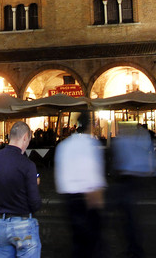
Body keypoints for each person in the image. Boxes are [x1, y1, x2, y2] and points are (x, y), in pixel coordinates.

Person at [0, 121, 42, 257]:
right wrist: (34, 184)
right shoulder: (28, 165)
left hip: (2, 224)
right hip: (24, 224)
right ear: (25, 137)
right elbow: (35, 203)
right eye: (29, 140)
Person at [54, 111, 106, 258]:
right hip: (88, 199)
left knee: (78, 241)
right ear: (90, 126)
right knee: (93, 244)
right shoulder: (91, 144)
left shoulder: (63, 146)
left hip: (69, 199)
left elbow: (60, 176)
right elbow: (95, 175)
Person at [111, 124, 156, 258]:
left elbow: (119, 161)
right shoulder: (133, 140)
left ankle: (135, 247)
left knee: (129, 217)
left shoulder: (125, 141)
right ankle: (133, 246)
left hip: (129, 179)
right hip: (133, 178)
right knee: (129, 216)